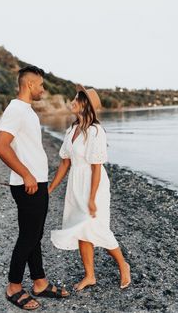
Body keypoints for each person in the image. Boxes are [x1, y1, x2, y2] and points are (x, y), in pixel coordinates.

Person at [0, 65, 69, 311]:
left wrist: (33, 176)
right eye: (41, 85)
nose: (43, 89)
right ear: (29, 84)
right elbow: (1, 146)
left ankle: (40, 282)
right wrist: (26, 174)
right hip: (28, 185)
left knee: (34, 235)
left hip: (36, 182)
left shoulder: (26, 111)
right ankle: (14, 286)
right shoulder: (16, 110)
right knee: (28, 236)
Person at [49, 85, 131, 291]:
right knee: (81, 230)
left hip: (94, 185)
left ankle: (123, 265)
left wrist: (92, 198)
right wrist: (50, 188)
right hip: (75, 184)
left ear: (85, 105)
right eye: (75, 97)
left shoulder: (96, 131)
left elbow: (96, 167)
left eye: (77, 99)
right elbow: (65, 163)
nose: (73, 101)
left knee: (97, 228)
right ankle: (90, 276)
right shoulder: (70, 130)